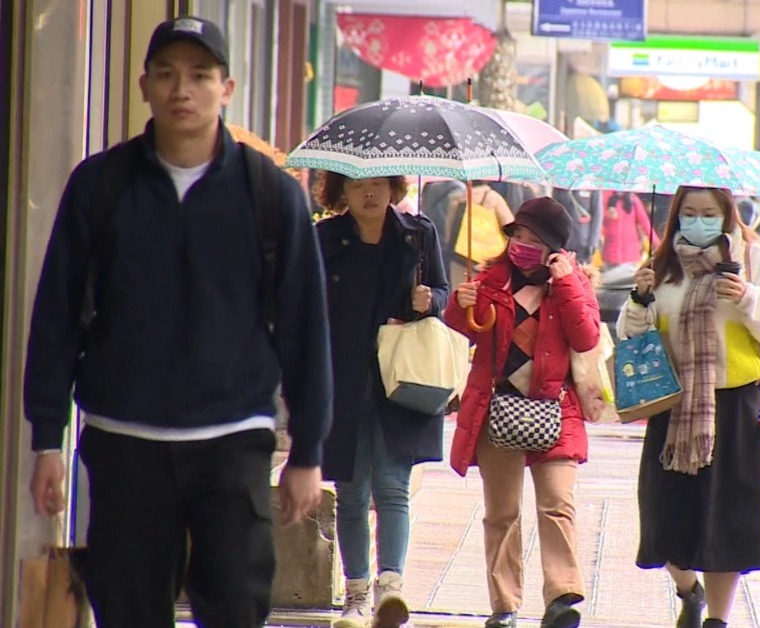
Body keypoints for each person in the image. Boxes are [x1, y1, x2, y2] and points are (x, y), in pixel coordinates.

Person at [23, 16, 331, 628]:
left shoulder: (269, 195)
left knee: (238, 609)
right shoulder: (101, 187)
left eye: (198, 75)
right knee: (130, 612)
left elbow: (304, 327)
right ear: (144, 86)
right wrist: (46, 438)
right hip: (124, 445)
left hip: (233, 444)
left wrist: (310, 452)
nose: (181, 90)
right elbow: (58, 316)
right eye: (166, 74)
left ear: (228, 88)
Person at [616, 185, 760, 628]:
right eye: (689, 213)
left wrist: (747, 297)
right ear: (676, 216)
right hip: (672, 407)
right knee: (662, 517)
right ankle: (688, 589)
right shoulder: (661, 268)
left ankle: (717, 619)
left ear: (727, 217)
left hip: (735, 408)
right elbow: (630, 336)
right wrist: (639, 299)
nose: (698, 221)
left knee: (727, 521)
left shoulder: (754, 262)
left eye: (708, 213)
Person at [444, 197, 601, 628]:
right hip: (498, 411)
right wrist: (462, 301)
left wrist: (566, 283)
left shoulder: (572, 282)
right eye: (518, 235)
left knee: (557, 503)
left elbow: (585, 337)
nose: (522, 245)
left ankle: (562, 598)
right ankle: (505, 606)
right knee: (501, 512)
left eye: (534, 240)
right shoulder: (490, 279)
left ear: (554, 248)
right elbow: (460, 328)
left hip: (557, 408)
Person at [314, 172, 449, 627]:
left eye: (377, 184)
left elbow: (444, 294)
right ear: (341, 193)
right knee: (351, 491)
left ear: (394, 188)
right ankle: (355, 595)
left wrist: (431, 301)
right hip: (342, 378)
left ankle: (389, 589)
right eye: (355, 185)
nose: (368, 193)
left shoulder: (418, 234)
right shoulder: (325, 238)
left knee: (392, 486)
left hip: (401, 376)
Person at [600, 191, 660, 267]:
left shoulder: (633, 200)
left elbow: (645, 223)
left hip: (631, 253)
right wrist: (607, 215)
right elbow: (597, 218)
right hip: (610, 253)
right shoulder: (605, 197)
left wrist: (657, 244)